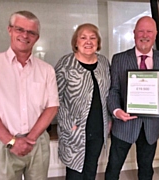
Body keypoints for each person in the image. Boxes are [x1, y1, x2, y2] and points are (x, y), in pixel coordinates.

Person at [0, 11, 59, 180]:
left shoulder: (46, 69)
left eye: (31, 32)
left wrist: (30, 139)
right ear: (10, 30)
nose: (25, 35)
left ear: (37, 37)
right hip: (2, 142)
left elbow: (52, 106)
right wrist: (11, 141)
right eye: (20, 29)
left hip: (37, 143)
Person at [105, 16, 159, 180]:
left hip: (150, 126)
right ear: (134, 33)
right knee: (113, 168)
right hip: (124, 123)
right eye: (141, 31)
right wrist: (116, 111)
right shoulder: (119, 59)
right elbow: (113, 90)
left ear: (155, 34)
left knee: (146, 169)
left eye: (149, 31)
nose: (145, 35)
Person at [55, 23, 111, 180]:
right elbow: (55, 98)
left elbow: (108, 93)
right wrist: (68, 125)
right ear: (76, 42)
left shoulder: (104, 63)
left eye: (93, 38)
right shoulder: (65, 64)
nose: (88, 41)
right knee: (75, 173)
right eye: (83, 37)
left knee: (91, 170)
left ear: (98, 42)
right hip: (75, 130)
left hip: (98, 128)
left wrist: (109, 119)